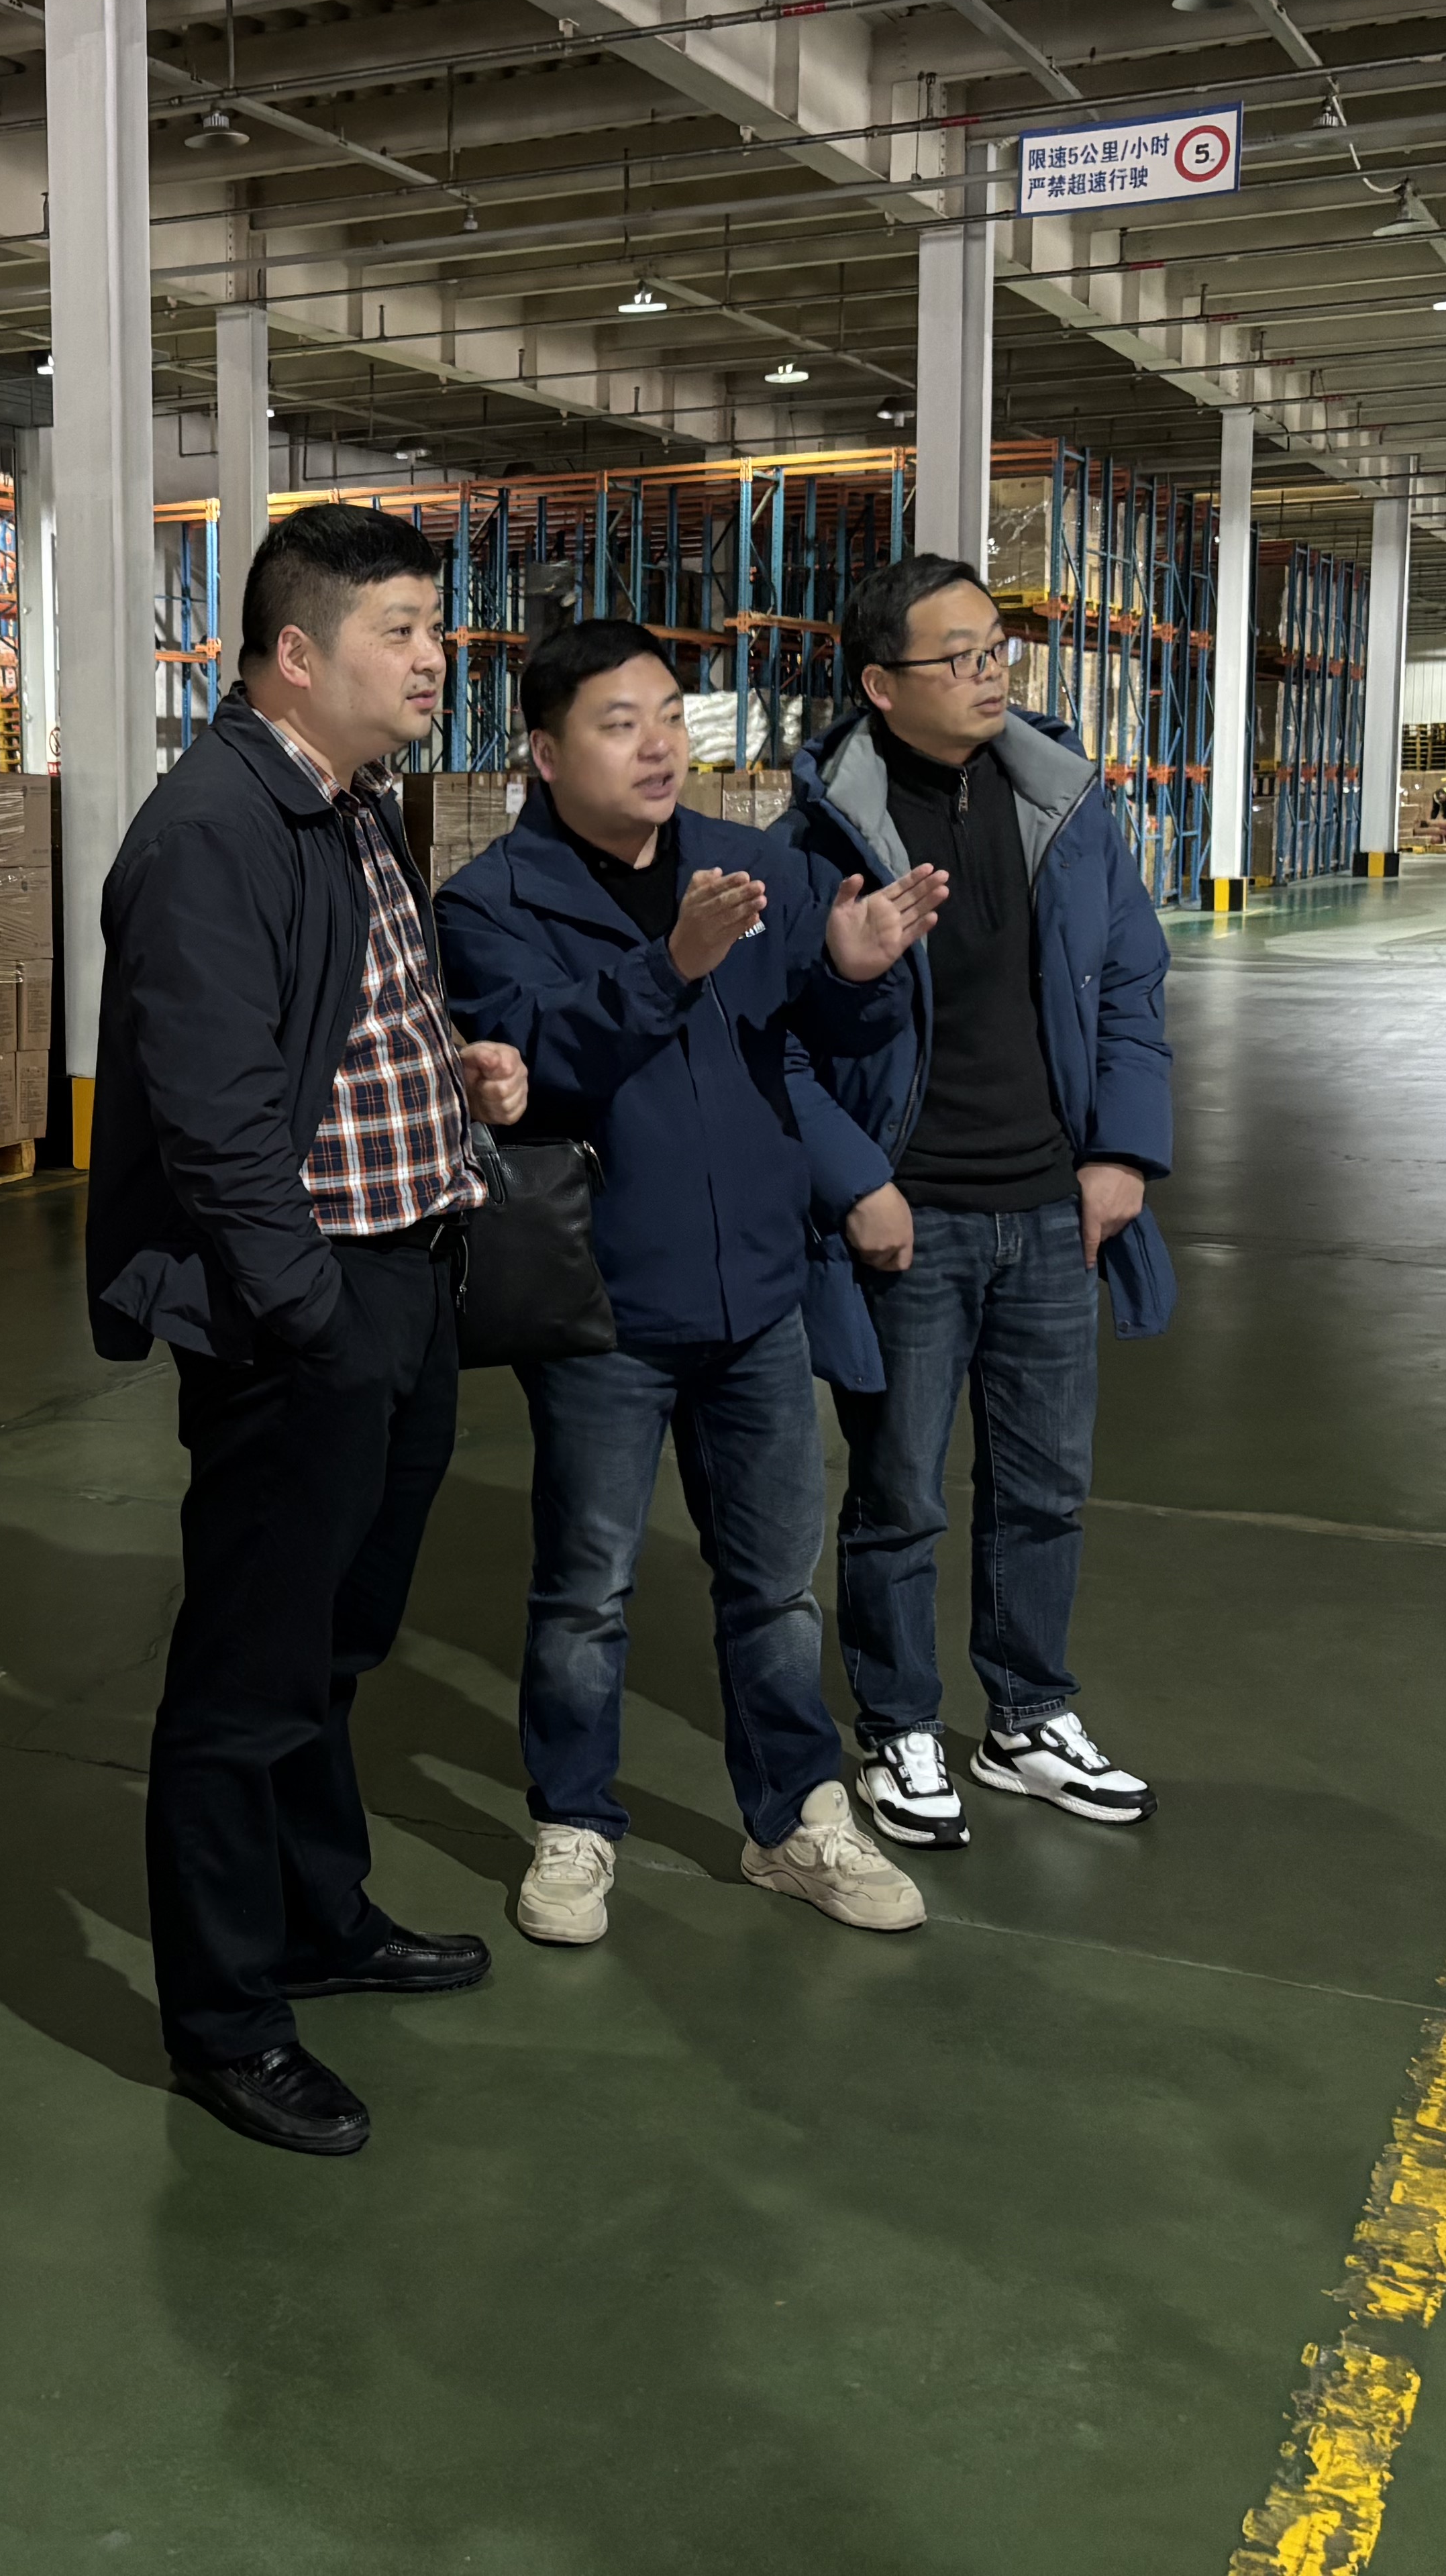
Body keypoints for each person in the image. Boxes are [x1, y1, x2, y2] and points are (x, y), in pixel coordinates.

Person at [87, 502, 533, 2158]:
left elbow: (338, 1036)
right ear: (294, 652)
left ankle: (316, 1916)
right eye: (399, 630)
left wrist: (453, 1075)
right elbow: (212, 1125)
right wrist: (309, 1319)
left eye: (436, 627)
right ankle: (224, 2018)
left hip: (404, 1277)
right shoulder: (212, 832)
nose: (434, 658)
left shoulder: (348, 806)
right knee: (247, 1674)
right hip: (309, 1306)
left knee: (336, 1647)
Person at [436, 620, 949, 1947]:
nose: (658, 745)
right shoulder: (491, 901)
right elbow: (538, 1065)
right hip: (603, 1303)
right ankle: (574, 1819)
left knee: (775, 1584)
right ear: (546, 754)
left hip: (759, 1294)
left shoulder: (749, 862)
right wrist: (670, 965)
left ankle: (794, 1818)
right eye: (619, 723)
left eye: (670, 714)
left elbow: (814, 1037)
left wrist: (857, 969)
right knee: (587, 1592)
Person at [782, 555, 1175, 1850]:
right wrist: (858, 1181)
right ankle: (899, 1721)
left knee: (1045, 1485)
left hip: (1053, 1209)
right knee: (899, 1492)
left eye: (994, 646)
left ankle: (1027, 1715)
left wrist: (1121, 1153)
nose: (986, 672)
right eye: (953, 656)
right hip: (915, 1216)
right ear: (879, 684)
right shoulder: (821, 836)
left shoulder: (1063, 802)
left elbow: (1131, 983)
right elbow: (773, 1040)